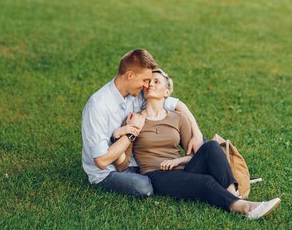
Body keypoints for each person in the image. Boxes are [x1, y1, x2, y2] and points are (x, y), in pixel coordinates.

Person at [116, 69, 281, 220]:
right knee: (206, 182)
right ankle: (244, 208)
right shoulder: (134, 119)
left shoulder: (178, 118)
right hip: (156, 175)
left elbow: (196, 153)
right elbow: (123, 163)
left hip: (182, 170)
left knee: (211, 147)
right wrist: (124, 134)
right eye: (148, 82)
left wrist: (178, 161)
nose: (150, 84)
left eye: (156, 81)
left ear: (167, 92)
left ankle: (233, 194)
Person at [81, 49, 204, 197]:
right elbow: (101, 161)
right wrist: (132, 132)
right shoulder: (98, 105)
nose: (147, 85)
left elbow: (178, 105)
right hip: (109, 171)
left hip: (136, 161)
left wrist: (197, 134)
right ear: (130, 75)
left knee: (204, 145)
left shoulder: (137, 93)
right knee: (143, 186)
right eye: (145, 80)